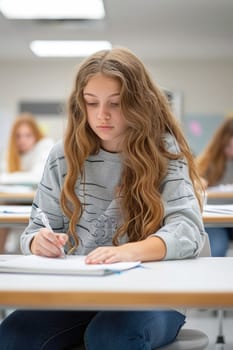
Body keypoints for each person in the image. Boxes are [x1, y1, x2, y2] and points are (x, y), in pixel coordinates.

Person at [0, 48, 206, 350]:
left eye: (116, 103)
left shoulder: (164, 151)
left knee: (110, 336)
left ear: (138, 103)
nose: (101, 115)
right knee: (13, 334)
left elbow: (188, 231)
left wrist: (132, 251)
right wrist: (37, 242)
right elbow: (34, 229)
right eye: (91, 103)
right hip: (83, 289)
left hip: (155, 291)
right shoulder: (63, 155)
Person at [0, 113, 54, 253]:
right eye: (18, 136)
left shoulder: (45, 146)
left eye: (28, 135)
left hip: (43, 202)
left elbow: (36, 177)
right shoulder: (13, 154)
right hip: (18, 201)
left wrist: (6, 177)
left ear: (36, 135)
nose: (22, 140)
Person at [196, 115, 233, 257]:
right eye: (228, 146)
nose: (230, 151)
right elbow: (193, 181)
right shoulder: (208, 162)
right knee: (215, 249)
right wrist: (197, 181)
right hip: (215, 221)